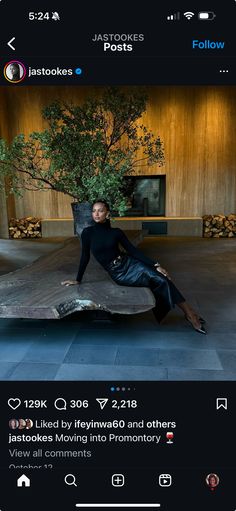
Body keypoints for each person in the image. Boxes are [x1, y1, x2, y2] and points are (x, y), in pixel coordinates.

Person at [61, 200, 206, 333]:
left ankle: (190, 313)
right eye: (94, 211)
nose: (96, 214)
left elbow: (133, 251)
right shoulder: (87, 233)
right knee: (159, 280)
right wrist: (78, 279)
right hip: (119, 273)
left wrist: (156, 265)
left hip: (129, 262)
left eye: (100, 210)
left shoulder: (116, 232)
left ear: (108, 213)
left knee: (161, 276)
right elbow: (84, 256)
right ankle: (190, 314)